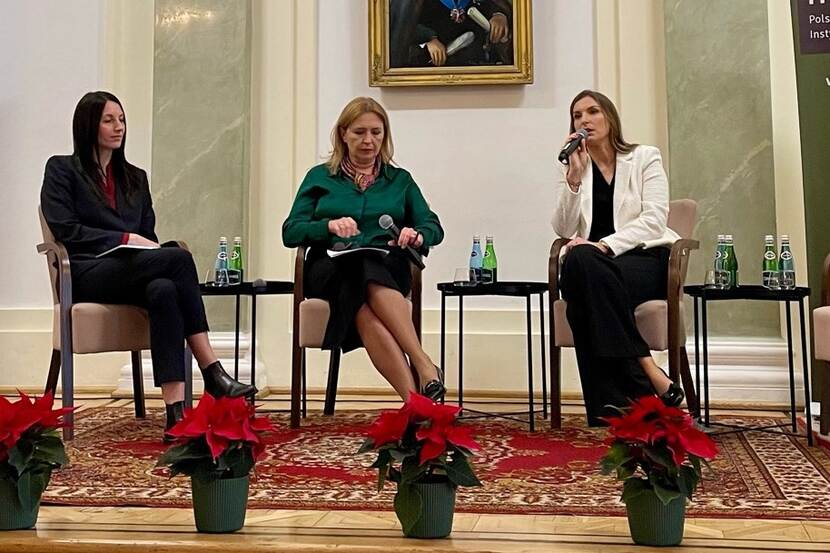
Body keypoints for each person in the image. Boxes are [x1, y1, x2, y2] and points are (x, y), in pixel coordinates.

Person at [40, 91, 256, 441]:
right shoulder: (62, 169)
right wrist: (123, 240)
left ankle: (175, 414)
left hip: (131, 272)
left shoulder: (135, 178)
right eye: (108, 120)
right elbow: (66, 230)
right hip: (84, 272)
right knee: (179, 257)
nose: (118, 127)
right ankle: (212, 370)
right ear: (87, 125)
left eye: (121, 120)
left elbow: (148, 237)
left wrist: (137, 245)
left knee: (164, 287)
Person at [282, 97, 445, 402]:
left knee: (364, 283)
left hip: (387, 266)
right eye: (359, 132)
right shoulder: (319, 178)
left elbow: (433, 227)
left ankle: (413, 402)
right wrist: (327, 227)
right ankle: (424, 367)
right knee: (358, 271)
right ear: (343, 134)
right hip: (330, 267)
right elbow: (291, 231)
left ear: (385, 136)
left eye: (376, 132)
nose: (368, 140)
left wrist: (417, 235)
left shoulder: (400, 180)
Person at [551, 89, 685, 426]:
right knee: (581, 261)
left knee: (585, 286)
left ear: (609, 118)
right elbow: (563, 228)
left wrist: (606, 245)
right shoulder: (576, 166)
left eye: (592, 112)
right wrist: (573, 180)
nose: (584, 120)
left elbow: (655, 219)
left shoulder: (644, 158)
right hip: (592, 266)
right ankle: (648, 370)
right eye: (577, 115)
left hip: (643, 259)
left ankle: (611, 409)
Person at [390, 0, 513, 67]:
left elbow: (494, 5)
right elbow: (401, 25)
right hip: (430, 65)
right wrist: (428, 39)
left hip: (474, 67)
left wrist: (499, 15)